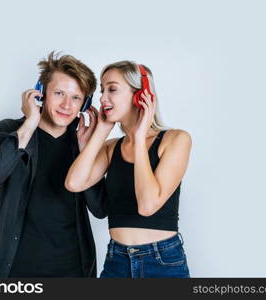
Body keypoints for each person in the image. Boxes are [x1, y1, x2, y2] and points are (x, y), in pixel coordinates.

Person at [0, 51, 107, 278]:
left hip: (74, 271)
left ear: (85, 104)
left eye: (76, 97)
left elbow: (100, 208)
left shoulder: (83, 142)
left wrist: (87, 151)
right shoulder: (8, 130)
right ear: (41, 92)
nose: (67, 104)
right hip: (16, 271)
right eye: (59, 93)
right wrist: (28, 125)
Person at [65, 61, 192, 278]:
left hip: (161, 262)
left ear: (140, 95)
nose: (103, 98)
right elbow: (74, 183)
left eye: (112, 89)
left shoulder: (176, 139)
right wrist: (101, 132)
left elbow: (147, 205)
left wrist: (140, 137)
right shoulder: (111, 147)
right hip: (117, 260)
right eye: (102, 90)